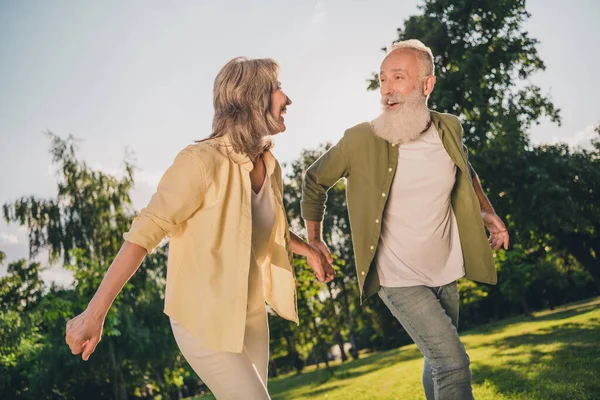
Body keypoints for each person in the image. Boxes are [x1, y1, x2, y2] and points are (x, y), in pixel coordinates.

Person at [65, 57, 335, 400]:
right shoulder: (201, 161)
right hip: (202, 317)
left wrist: (308, 249)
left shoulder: (269, 165)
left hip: (250, 314)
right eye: (278, 88)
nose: (288, 99)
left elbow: (268, 226)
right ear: (253, 97)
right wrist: (95, 312)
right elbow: (144, 234)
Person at [301, 39, 509, 399]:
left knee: (438, 359)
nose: (387, 89)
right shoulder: (360, 139)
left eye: (398, 77)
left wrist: (486, 210)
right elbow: (314, 180)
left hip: (445, 268)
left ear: (427, 85)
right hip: (398, 277)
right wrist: (314, 239)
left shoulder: (449, 129)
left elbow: (466, 170)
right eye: (383, 79)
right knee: (453, 363)